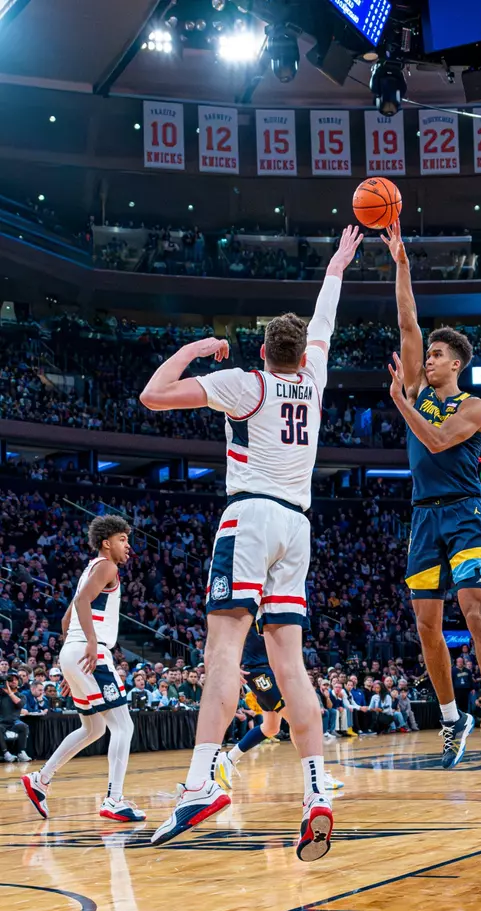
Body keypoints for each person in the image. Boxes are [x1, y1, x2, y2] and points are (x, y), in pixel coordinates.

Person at [140, 225, 362, 857]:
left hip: (250, 518)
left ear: (263, 351)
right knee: (290, 666)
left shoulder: (246, 383)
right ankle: (317, 791)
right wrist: (338, 264)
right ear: (298, 353)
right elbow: (326, 317)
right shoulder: (313, 377)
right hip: (298, 526)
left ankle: (199, 781)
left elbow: (153, 397)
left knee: (224, 655)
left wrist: (197, 346)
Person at [383, 220, 481, 772]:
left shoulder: (473, 408)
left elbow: (436, 441)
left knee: (475, 612)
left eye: (438, 355)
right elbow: (408, 321)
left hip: (464, 514)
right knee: (425, 625)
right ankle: (452, 717)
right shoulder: (417, 385)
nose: (428, 359)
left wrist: (401, 404)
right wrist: (402, 265)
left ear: (456, 364)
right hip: (422, 518)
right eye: (428, 355)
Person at [21, 516, 145, 823]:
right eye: (122, 539)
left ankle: (41, 779)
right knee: (123, 726)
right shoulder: (107, 566)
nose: (127, 545)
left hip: (72, 653)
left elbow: (68, 618)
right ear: (107, 543)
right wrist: (91, 642)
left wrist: (69, 668)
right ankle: (114, 800)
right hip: (91, 652)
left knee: (94, 728)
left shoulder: (89, 570)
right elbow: (81, 604)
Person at [220, 624, 343, 789]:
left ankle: (228, 758)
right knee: (298, 721)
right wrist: (230, 664)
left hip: (271, 670)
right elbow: (228, 634)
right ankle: (317, 776)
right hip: (259, 671)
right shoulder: (250, 607)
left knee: (271, 727)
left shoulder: (271, 610)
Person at [1, 673, 30, 762]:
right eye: (10, 680)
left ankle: (21, 752)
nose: (14, 681)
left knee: (23, 726)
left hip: (14, 722)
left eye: (15, 680)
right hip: (1, 722)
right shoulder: (1, 695)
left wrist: (10, 692)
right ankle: (6, 753)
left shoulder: (21, 695)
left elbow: (19, 704)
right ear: (6, 683)